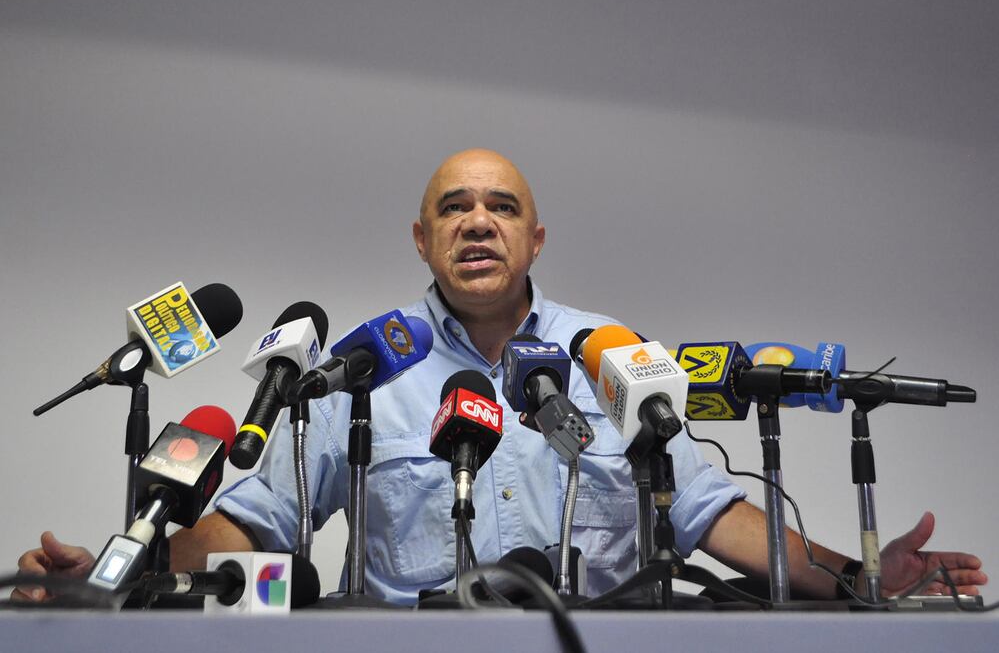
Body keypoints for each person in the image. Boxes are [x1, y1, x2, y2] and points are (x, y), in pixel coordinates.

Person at [14, 149, 987, 604]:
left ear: (534, 236)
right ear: (423, 237)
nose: (478, 222)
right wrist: (120, 574)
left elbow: (709, 516)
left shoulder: (612, 355)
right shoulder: (363, 365)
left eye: (501, 207)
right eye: (455, 207)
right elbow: (255, 526)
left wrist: (866, 576)